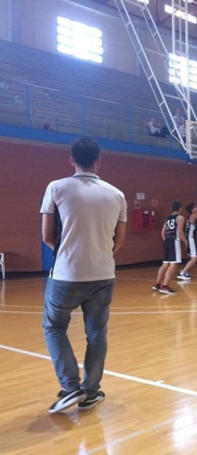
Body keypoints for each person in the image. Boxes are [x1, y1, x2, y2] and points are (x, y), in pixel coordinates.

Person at [40, 137, 127, 413]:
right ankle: (90, 392)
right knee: (97, 333)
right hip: (103, 274)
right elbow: (119, 241)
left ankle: (70, 387)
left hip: (66, 274)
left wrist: (69, 252)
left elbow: (46, 236)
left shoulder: (56, 187)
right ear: (99, 160)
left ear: (71, 159)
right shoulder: (117, 194)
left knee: (54, 327)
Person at [153, 202, 188, 294]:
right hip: (174, 241)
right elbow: (180, 232)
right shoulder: (180, 218)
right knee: (173, 264)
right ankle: (165, 286)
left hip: (167, 241)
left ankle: (157, 284)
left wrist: (165, 241)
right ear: (180, 208)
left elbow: (162, 232)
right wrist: (185, 241)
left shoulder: (168, 218)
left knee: (165, 264)